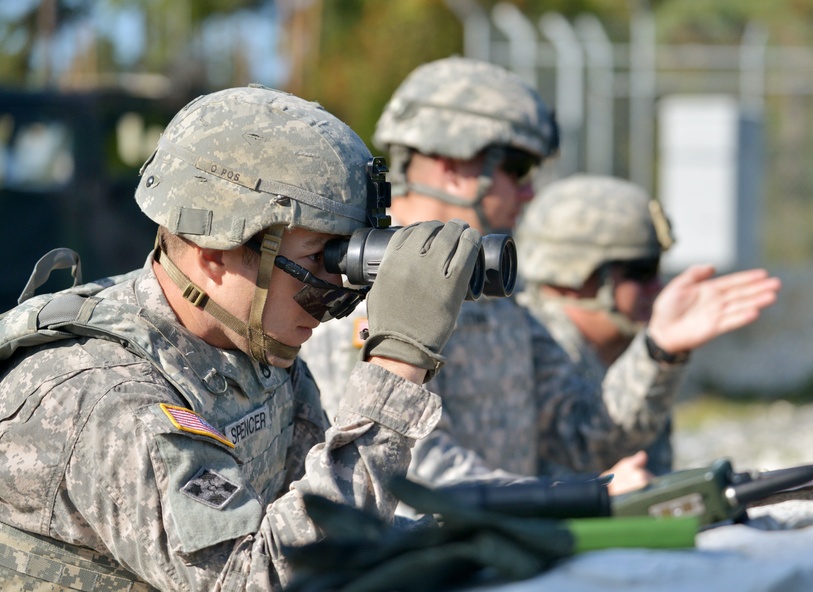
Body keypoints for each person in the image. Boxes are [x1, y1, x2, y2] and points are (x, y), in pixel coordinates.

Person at [0, 85, 482, 592]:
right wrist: (397, 365)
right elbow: (282, 591)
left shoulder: (249, 348)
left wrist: (477, 538)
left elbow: (318, 529)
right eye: (318, 262)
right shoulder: (106, 394)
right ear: (213, 252)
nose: (338, 293)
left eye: (348, 258)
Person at [300, 57, 781, 495]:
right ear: (450, 165)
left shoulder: (489, 285)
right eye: (517, 168)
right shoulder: (371, 291)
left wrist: (660, 349)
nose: (529, 194)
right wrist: (567, 498)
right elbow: (402, 472)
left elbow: (581, 433)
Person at [516, 173, 780, 471]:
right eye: (640, 271)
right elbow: (586, 442)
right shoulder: (524, 344)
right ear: (574, 273)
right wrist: (659, 350)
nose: (656, 287)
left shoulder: (629, 350)